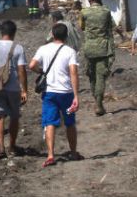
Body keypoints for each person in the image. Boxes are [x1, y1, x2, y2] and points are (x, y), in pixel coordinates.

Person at [29, 23, 82, 167]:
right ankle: (73, 152)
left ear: (52, 34)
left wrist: (42, 72)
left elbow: (32, 65)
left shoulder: (43, 49)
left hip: (50, 93)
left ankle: (51, 155)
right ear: (66, 36)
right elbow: (73, 73)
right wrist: (76, 96)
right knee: (70, 123)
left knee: (50, 123)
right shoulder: (70, 51)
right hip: (66, 93)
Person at [0, 20, 28, 159]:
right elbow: (21, 70)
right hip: (13, 87)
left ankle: (1, 148)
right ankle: (12, 147)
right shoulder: (18, 48)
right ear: (14, 33)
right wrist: (24, 89)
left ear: (1, 32)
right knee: (14, 117)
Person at [79, 0, 116, 116]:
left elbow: (82, 27)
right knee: (101, 77)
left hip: (89, 48)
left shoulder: (84, 12)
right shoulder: (106, 11)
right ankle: (99, 104)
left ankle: (97, 101)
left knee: (91, 76)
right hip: (103, 49)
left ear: (89, 0)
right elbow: (111, 29)